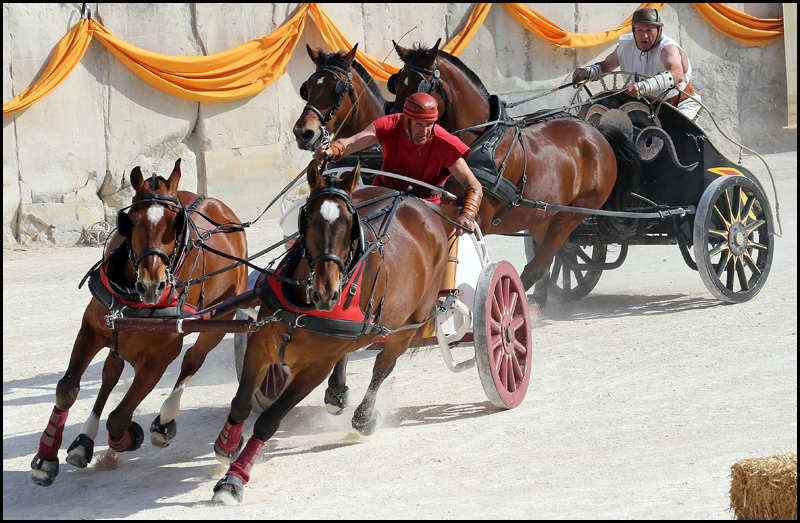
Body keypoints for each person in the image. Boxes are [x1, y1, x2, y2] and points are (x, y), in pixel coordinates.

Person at [313, 92, 482, 236]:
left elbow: (473, 185)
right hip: (382, 194)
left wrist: (467, 214)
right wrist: (332, 150)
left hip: (426, 204)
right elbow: (353, 142)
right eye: (418, 124)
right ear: (404, 119)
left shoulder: (446, 143)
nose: (424, 132)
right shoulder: (390, 124)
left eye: (429, 125)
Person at [572, 8, 702, 119]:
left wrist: (643, 86)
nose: (644, 36)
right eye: (640, 30)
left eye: (649, 30)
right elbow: (605, 66)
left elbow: (677, 74)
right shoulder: (625, 46)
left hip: (679, 107)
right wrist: (586, 72)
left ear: (659, 31)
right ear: (633, 30)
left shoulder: (667, 48)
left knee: (677, 142)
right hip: (646, 109)